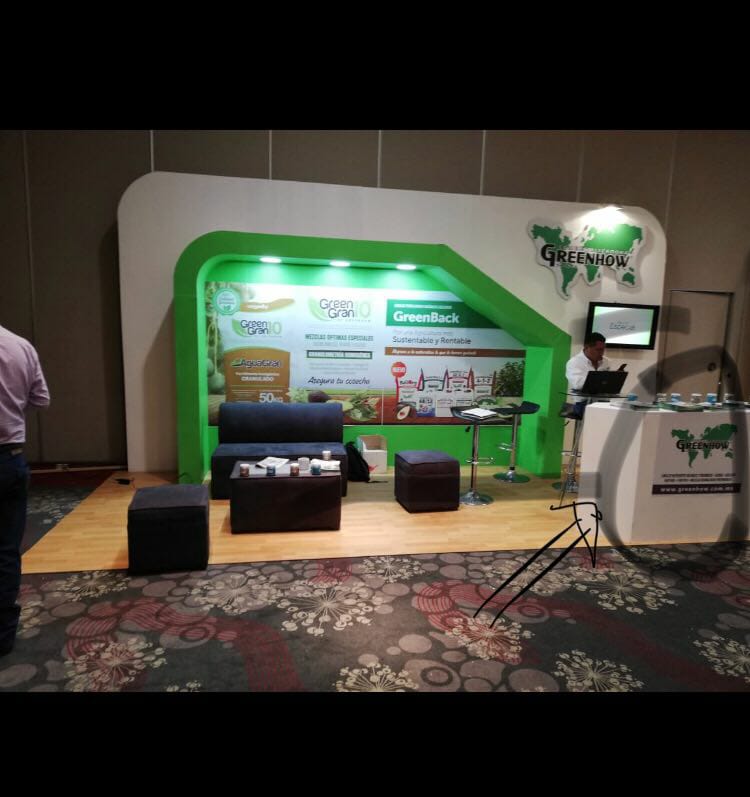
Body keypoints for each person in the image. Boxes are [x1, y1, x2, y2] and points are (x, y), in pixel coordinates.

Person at [0, 324, 50, 657]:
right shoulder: (20, 346)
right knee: (5, 549)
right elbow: (41, 399)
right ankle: (3, 635)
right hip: (9, 457)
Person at [564, 332, 611, 419]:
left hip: (603, 402)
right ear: (586, 347)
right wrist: (601, 380)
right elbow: (577, 384)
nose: (602, 353)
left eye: (603, 349)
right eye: (598, 350)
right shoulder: (574, 362)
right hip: (583, 403)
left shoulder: (606, 362)